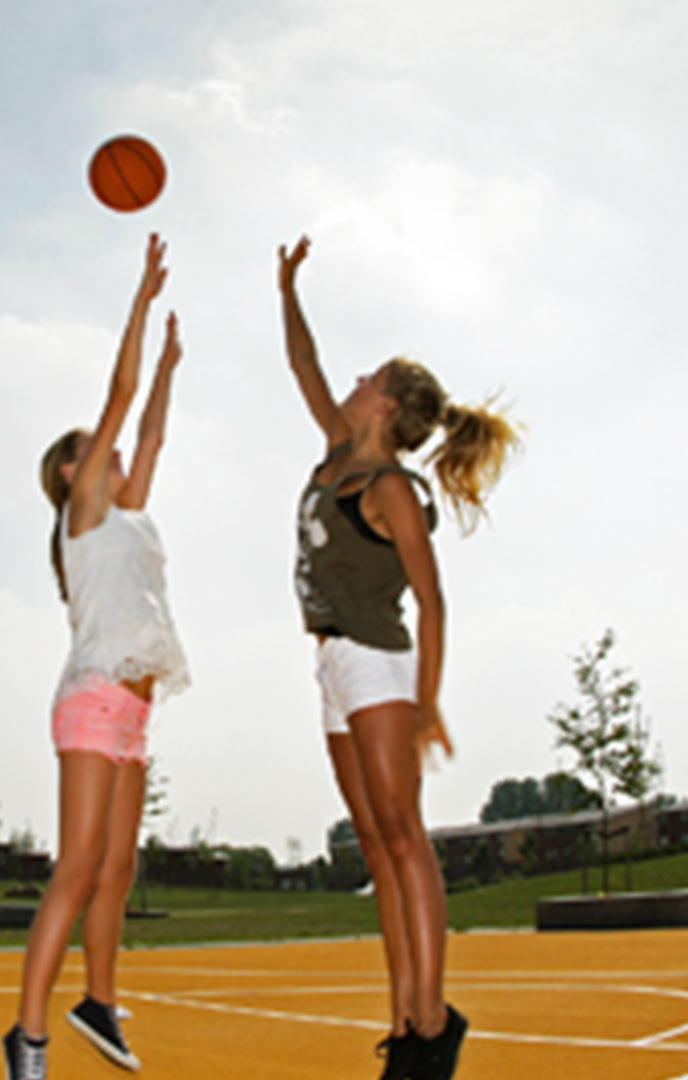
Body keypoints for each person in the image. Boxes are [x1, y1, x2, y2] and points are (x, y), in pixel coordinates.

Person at [277, 235, 519, 1080]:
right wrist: (287, 286)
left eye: (366, 377)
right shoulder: (338, 457)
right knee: (375, 847)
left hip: (379, 666)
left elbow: (434, 598)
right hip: (334, 670)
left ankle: (430, 1021)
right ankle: (406, 1023)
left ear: (384, 406)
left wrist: (429, 699)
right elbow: (304, 363)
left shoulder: (388, 493)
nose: (351, 382)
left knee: (406, 837)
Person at [5, 233, 190, 1080]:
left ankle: (98, 1002)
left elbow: (146, 429)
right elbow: (117, 399)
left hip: (135, 713)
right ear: (74, 470)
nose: (116, 452)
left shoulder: (130, 514)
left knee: (119, 867)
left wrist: (170, 371)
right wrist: (141, 305)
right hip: (92, 702)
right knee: (77, 869)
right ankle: (28, 1035)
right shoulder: (81, 510)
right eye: (99, 446)